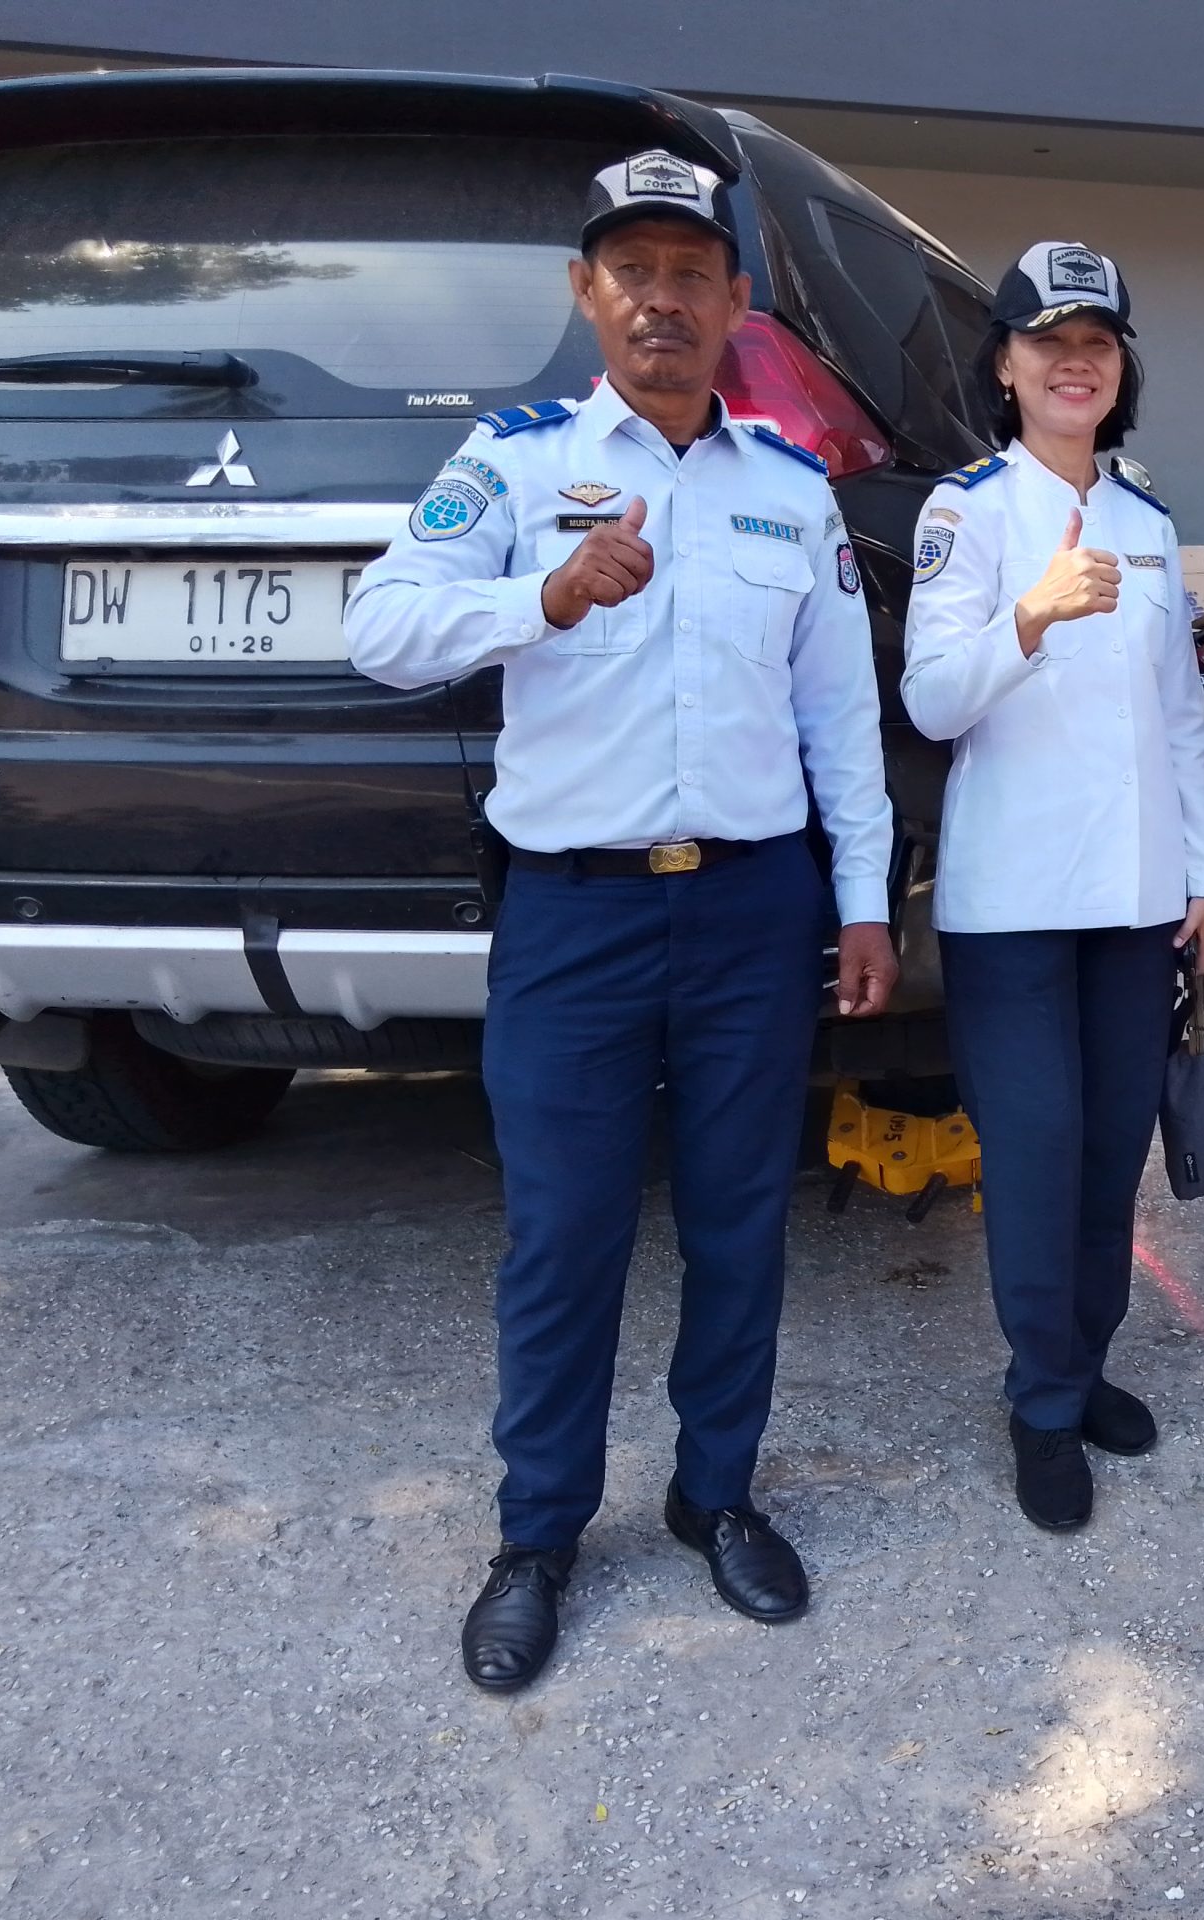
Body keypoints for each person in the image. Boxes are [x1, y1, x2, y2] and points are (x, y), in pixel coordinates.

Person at [347, 150, 898, 1693]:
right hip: (574, 918)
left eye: (690, 274)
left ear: (735, 302)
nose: (663, 299)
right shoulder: (514, 464)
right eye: (633, 272)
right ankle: (538, 1537)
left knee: (739, 1223)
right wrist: (541, 598)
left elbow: (839, 721)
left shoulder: (789, 489)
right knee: (565, 1237)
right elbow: (380, 626)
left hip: (750, 911)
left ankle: (716, 1497)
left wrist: (864, 902)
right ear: (586, 293)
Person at [899, 243, 1204, 1531]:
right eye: (1049, 341)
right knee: (1036, 1160)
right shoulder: (966, 513)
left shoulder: (1145, 519)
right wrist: (1028, 616)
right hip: (1016, 904)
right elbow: (932, 701)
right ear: (1005, 365)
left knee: (1107, 1158)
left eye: (1097, 341)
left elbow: (1179, 716)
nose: (1075, 362)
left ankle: (1080, 1367)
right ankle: (1040, 1403)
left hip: (1135, 898)